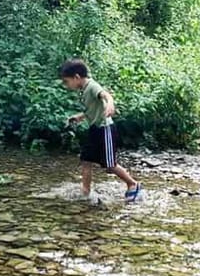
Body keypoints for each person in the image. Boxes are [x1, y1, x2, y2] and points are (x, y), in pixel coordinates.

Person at [59, 58, 142, 203]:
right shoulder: (83, 90)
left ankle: (132, 184)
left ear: (77, 77)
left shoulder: (92, 86)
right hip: (95, 128)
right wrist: (81, 116)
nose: (66, 85)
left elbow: (105, 95)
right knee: (86, 159)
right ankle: (85, 191)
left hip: (105, 129)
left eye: (67, 81)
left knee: (110, 164)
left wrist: (110, 104)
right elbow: (92, 108)